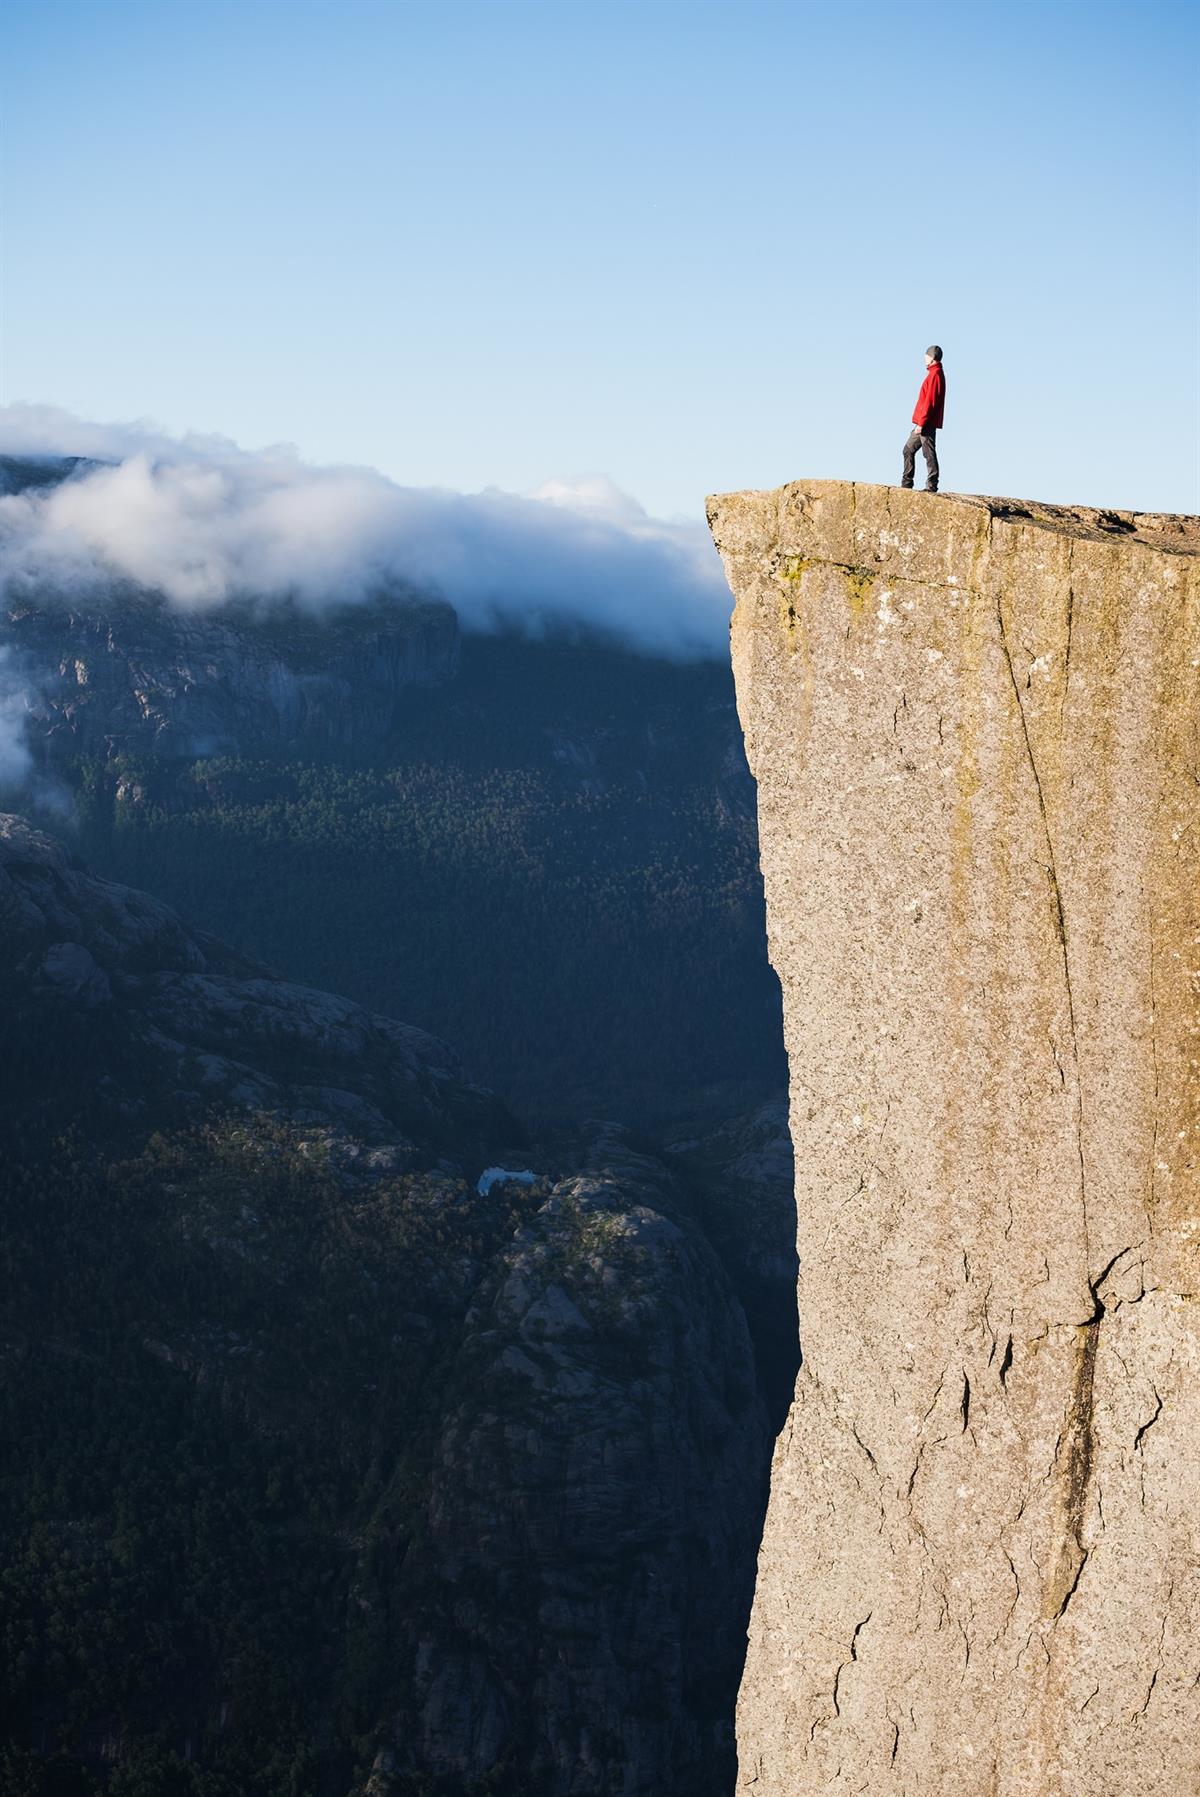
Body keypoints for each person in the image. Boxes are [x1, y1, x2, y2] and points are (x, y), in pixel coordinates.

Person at [901, 346, 946, 492]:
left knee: (928, 453)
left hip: (926, 423)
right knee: (908, 450)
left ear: (932, 357)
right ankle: (906, 484)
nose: (924, 358)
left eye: (926, 355)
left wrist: (921, 423)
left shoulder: (935, 375)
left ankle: (932, 485)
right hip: (922, 422)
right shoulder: (933, 374)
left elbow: (930, 402)